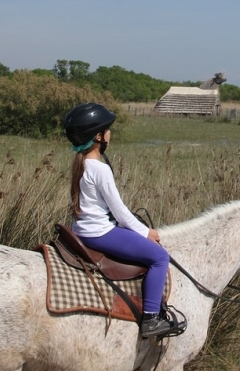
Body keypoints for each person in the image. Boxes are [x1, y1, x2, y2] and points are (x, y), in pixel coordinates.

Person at [63, 102, 173, 338]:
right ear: (99, 136)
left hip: (81, 230)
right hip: (99, 233)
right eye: (107, 130)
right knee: (160, 257)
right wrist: (146, 232)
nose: (110, 134)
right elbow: (120, 212)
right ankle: (151, 319)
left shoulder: (80, 163)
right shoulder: (100, 169)